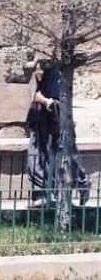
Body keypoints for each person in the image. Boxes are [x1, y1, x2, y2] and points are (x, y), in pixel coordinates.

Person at [26, 60, 89, 207]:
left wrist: (45, 101)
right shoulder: (41, 88)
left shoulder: (56, 87)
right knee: (35, 161)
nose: (38, 73)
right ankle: (40, 195)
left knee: (67, 162)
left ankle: (82, 185)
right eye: (36, 70)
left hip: (55, 133)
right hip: (39, 132)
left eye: (41, 70)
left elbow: (62, 108)